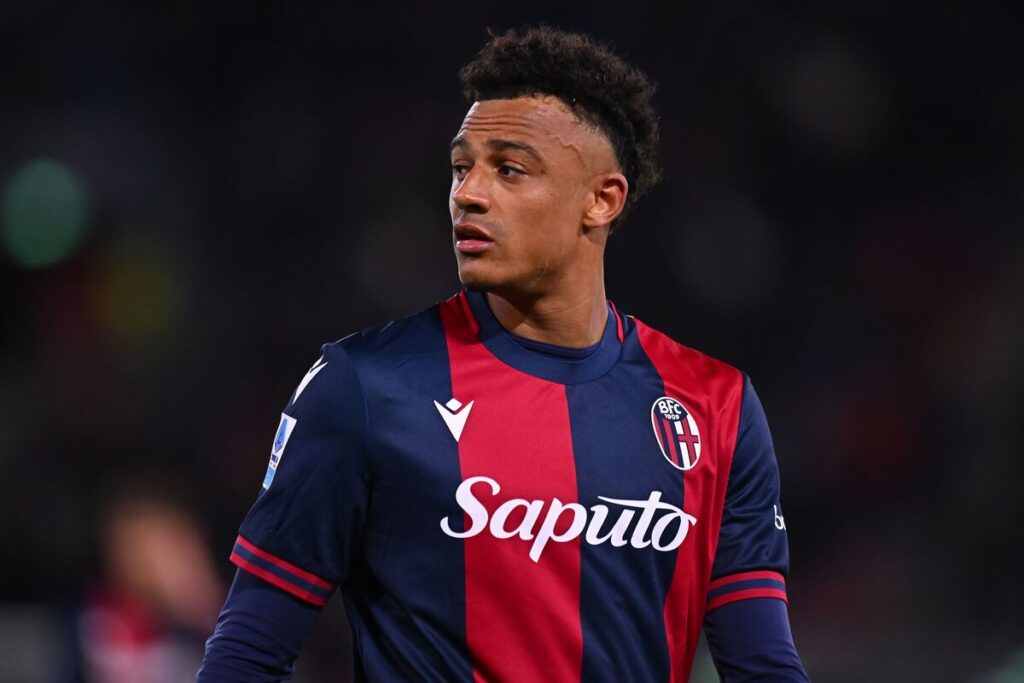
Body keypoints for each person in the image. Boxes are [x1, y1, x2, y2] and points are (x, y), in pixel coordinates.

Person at [198, 26, 808, 683]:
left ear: (602, 200)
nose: (468, 193)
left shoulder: (714, 404)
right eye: (463, 166)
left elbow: (762, 663)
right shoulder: (363, 388)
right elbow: (248, 654)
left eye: (509, 168)